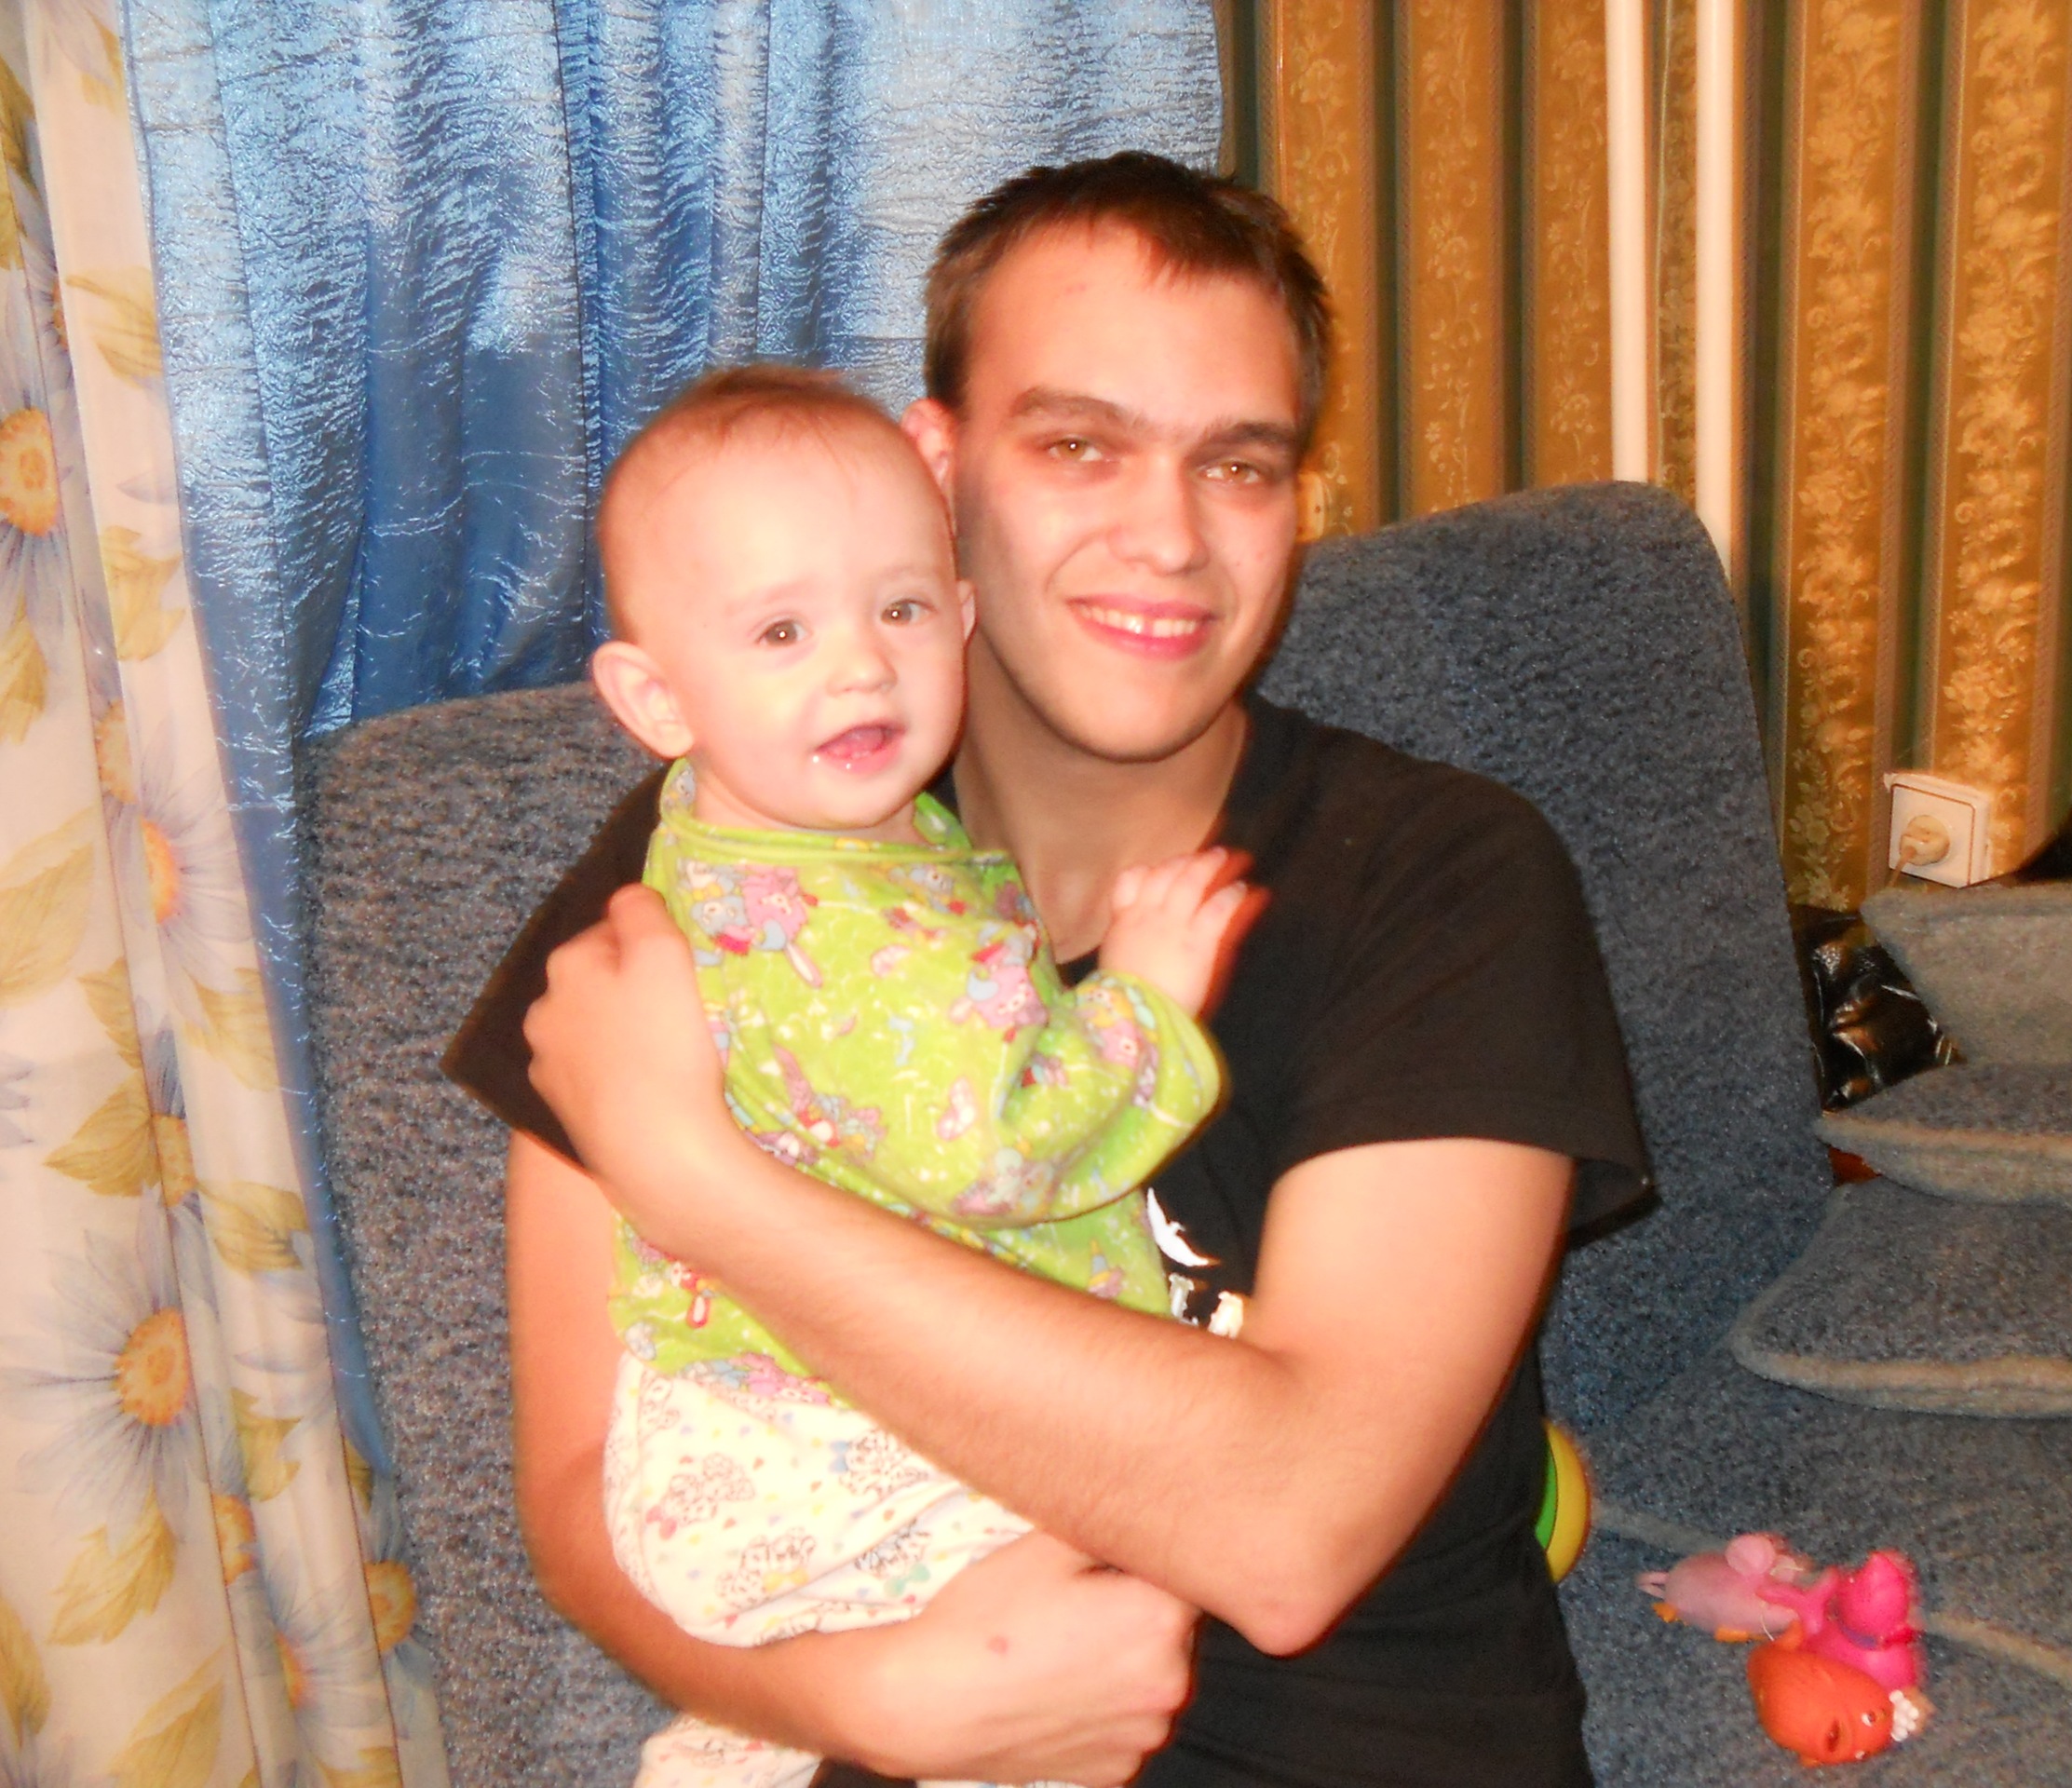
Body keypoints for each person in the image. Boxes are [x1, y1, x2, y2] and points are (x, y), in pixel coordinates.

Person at [450, 151, 1647, 1788]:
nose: (1168, 538)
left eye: (1238, 463)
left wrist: (696, 1180)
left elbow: (1288, 1529)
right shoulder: (718, 862)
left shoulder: (1443, 882)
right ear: (935, 470)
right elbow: (581, 1488)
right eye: (1078, 444)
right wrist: (849, 1703)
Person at [573, 363, 1248, 1788]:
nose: (860, 668)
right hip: (804, 1443)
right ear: (654, 697)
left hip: (774, 1417)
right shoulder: (823, 926)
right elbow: (996, 1151)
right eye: (781, 630)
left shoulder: (781, 835)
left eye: (900, 609)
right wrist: (1143, 1002)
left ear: (964, 615)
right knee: (1076, 1631)